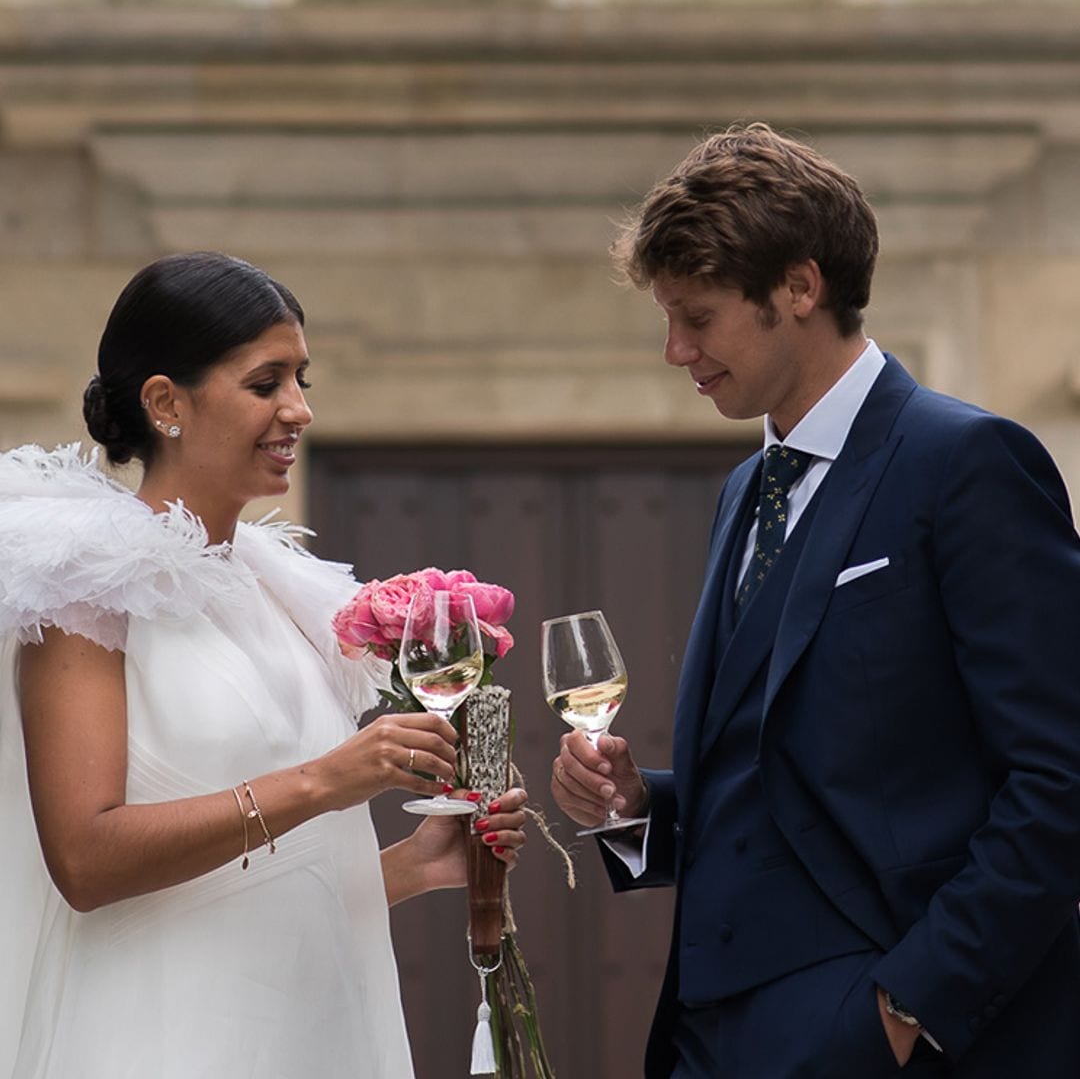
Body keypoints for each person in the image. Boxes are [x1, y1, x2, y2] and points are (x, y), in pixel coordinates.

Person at [550, 122, 1080, 1077]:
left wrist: (908, 1008)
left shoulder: (967, 465)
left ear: (799, 287)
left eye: (698, 316)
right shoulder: (743, 491)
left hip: (885, 1032)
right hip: (707, 1037)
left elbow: (1061, 781)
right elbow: (776, 785)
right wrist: (636, 810)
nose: (675, 350)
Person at [0, 252, 527, 1079]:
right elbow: (85, 860)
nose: (300, 410)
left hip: (313, 1032)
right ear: (166, 403)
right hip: (163, 1039)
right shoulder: (85, 587)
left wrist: (415, 864)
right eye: (266, 382)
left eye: (302, 379)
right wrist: (326, 780)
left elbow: (249, 886)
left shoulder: (282, 594)